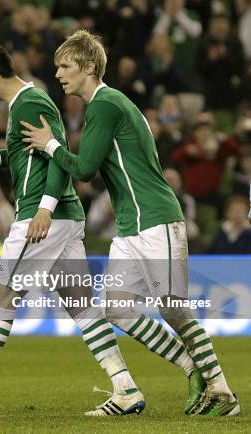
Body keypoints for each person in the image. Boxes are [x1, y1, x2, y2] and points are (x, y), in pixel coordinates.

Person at [0, 44, 145, 416]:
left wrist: (44, 209)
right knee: (81, 306)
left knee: (1, 296)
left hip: (42, 217)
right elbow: (29, 154)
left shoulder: (30, 102)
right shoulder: (26, 102)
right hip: (64, 217)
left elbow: (58, 153)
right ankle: (126, 387)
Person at [20, 29, 239, 416]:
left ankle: (223, 392)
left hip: (156, 220)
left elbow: (85, 169)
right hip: (130, 227)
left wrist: (51, 144)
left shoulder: (106, 104)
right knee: (118, 309)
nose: (58, 74)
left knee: (174, 308)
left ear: (89, 67)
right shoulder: (108, 105)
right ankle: (193, 367)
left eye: (65, 66)